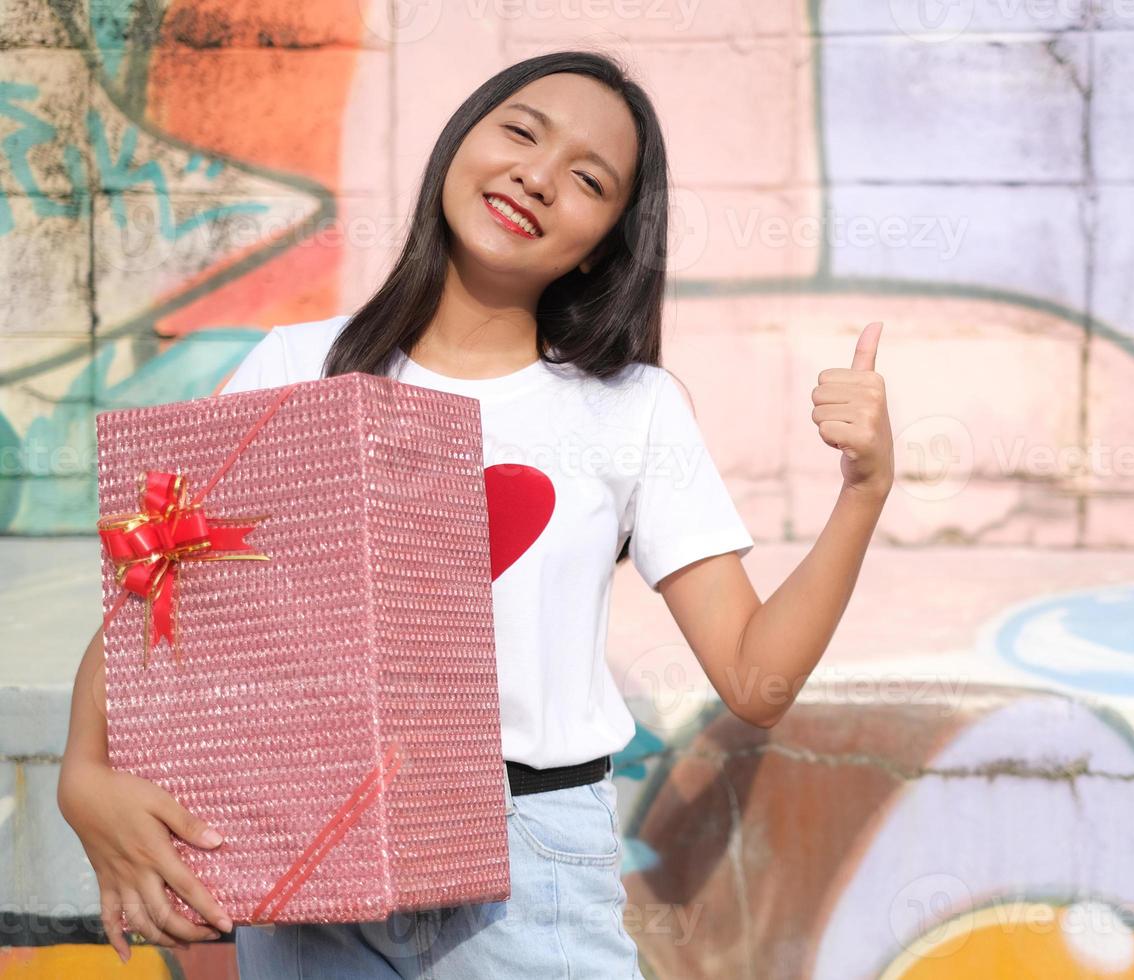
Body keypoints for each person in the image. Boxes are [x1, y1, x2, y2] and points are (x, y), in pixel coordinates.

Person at [57, 49, 893, 978]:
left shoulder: (632, 406)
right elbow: (166, 583)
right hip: (312, 847)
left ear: (607, 238)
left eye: (587, 179)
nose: (537, 177)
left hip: (526, 869)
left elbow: (755, 682)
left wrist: (862, 494)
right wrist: (82, 772)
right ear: (463, 141)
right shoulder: (301, 365)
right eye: (521, 132)